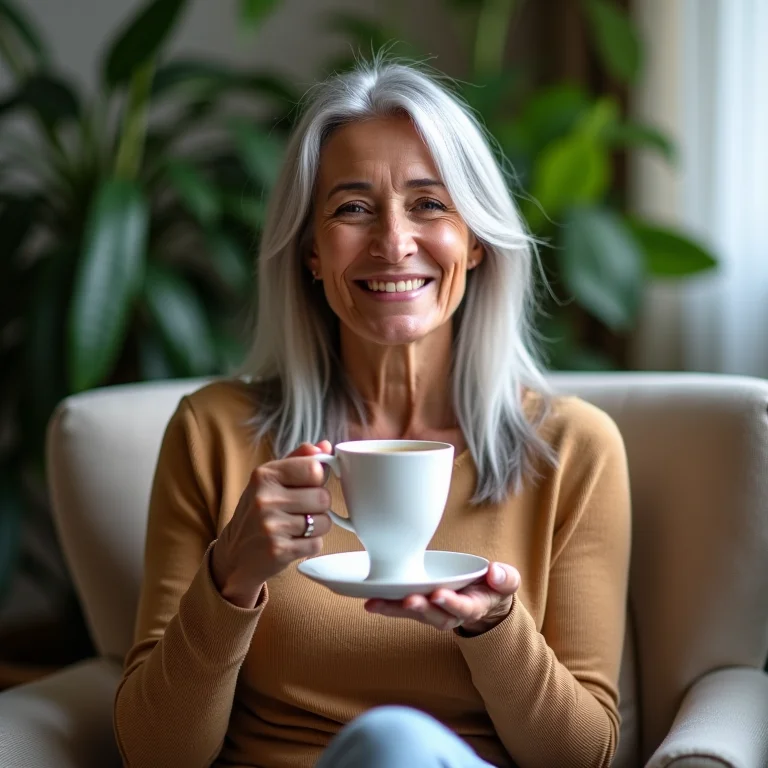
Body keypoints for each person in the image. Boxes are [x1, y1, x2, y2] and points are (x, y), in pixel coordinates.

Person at [114, 59, 631, 768]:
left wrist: (497, 628)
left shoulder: (573, 448)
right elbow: (153, 755)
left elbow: (586, 758)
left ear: (475, 240)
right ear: (311, 253)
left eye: (429, 203)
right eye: (352, 208)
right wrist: (229, 580)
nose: (393, 242)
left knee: (396, 747)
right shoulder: (213, 434)